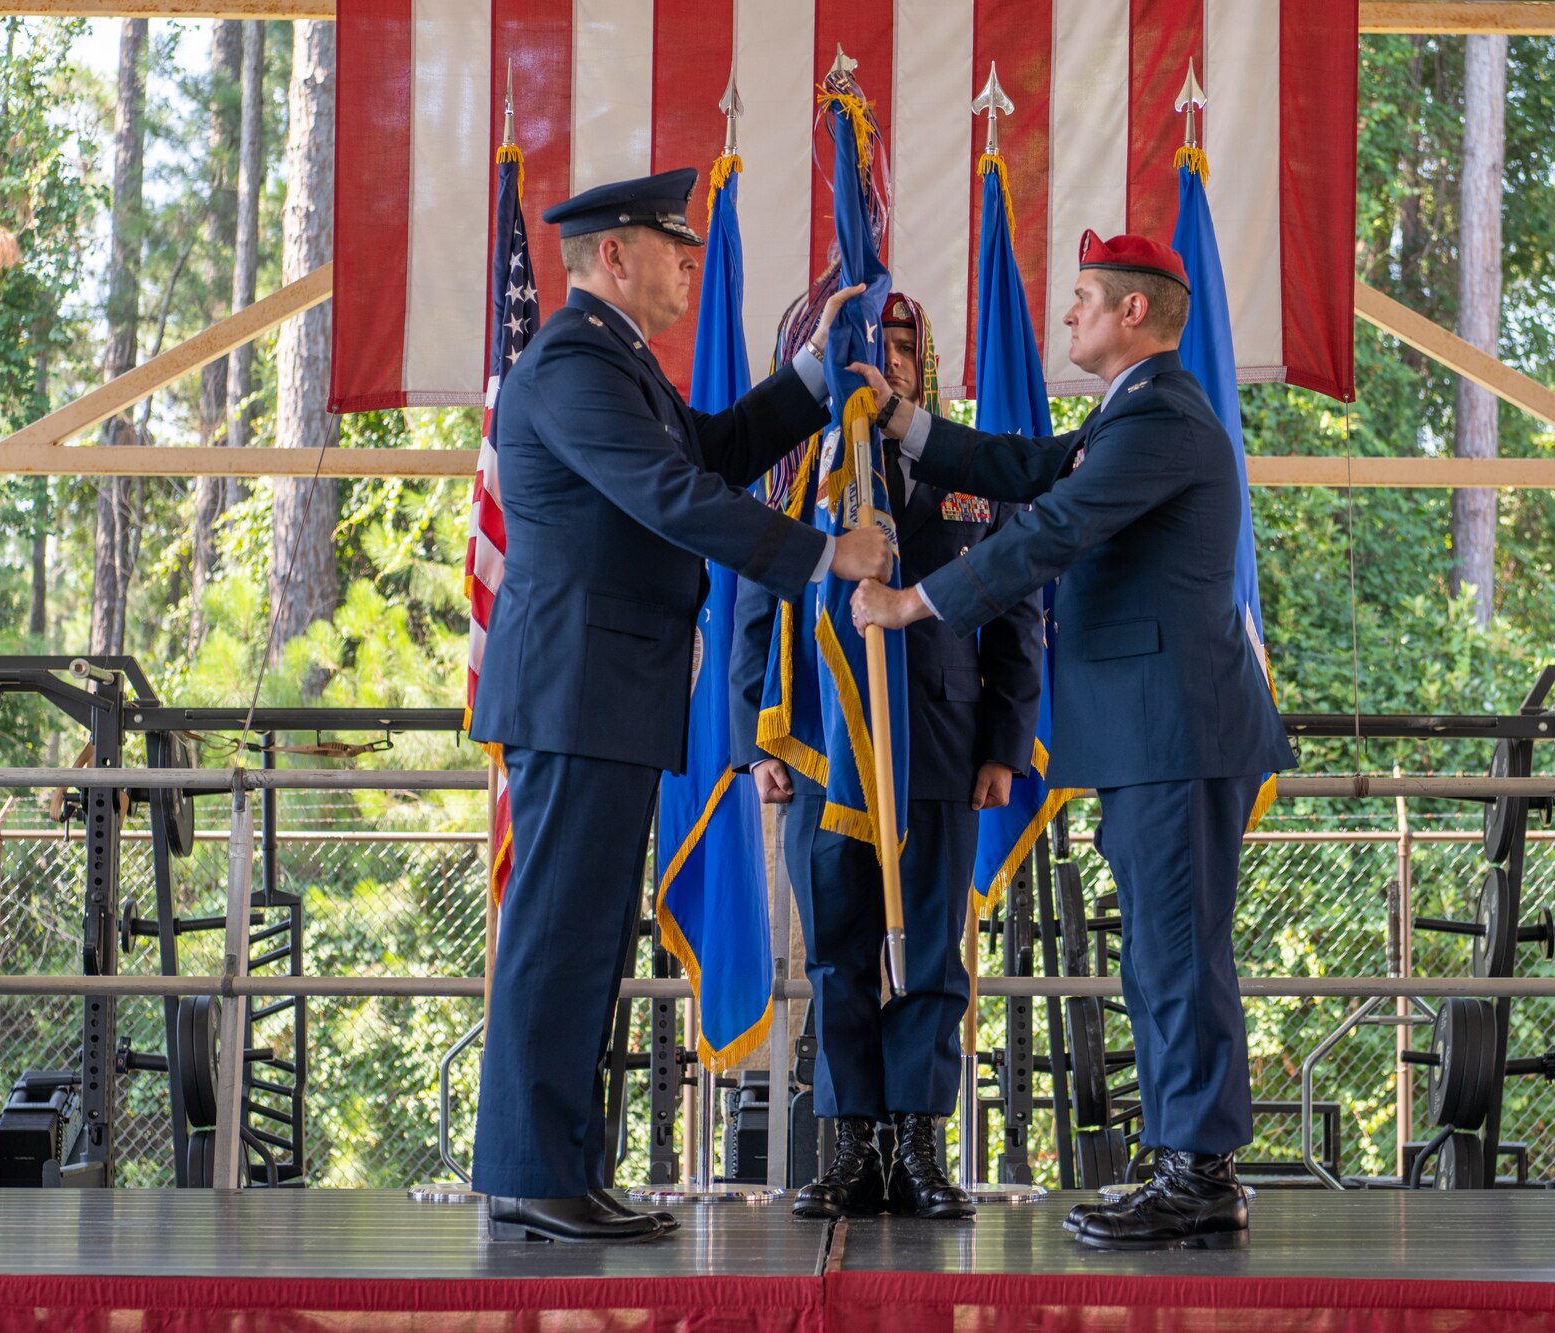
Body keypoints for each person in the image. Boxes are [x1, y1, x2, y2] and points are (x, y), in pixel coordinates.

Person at [468, 169, 891, 1245]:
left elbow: (703, 452)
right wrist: (822, 555)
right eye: (675, 247)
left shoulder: (618, 367)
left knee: (588, 936)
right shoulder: (568, 363)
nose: (691, 265)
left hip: (608, 691)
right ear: (615, 256)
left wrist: (809, 373)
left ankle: (560, 1165)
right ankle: (527, 1168)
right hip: (577, 690)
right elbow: (672, 496)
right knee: (559, 934)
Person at [849, 231, 1293, 1251]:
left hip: (1173, 729)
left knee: (1174, 955)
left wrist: (915, 600)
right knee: (1160, 954)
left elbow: (1048, 528)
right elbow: (1016, 465)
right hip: (1148, 730)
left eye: (1084, 297)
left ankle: (1198, 1168)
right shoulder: (1126, 416)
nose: (1067, 313)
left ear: (1133, 312)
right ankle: (1189, 1156)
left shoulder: (1161, 419)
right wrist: (902, 420)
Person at [732, 291, 1044, 1222]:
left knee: (933, 957)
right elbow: (755, 611)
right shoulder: (798, 473)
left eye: (907, 342)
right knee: (835, 954)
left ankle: (917, 1143)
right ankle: (849, 1147)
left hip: (944, 751)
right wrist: (758, 740)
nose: (893, 357)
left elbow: (1017, 611)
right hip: (823, 752)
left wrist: (1005, 744)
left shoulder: (971, 463)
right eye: (877, 341)